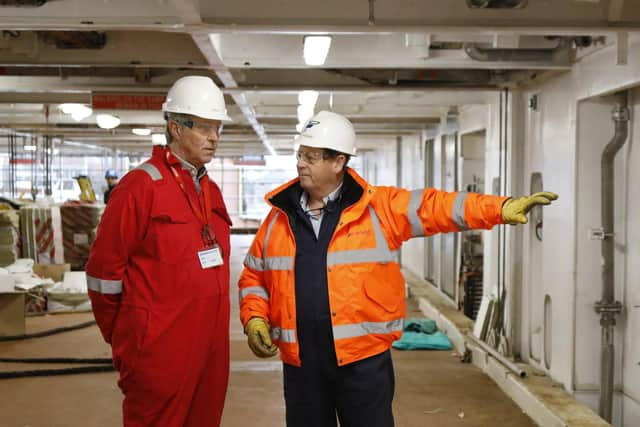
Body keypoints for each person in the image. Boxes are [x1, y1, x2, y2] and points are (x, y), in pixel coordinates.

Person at [238, 110, 558, 427]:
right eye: (300, 154)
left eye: (311, 156)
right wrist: (254, 317)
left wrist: (500, 208)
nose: (300, 163)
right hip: (301, 363)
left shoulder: (381, 208)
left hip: (362, 362)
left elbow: (440, 207)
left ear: (338, 162)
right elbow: (254, 277)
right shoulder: (279, 218)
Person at [86, 75, 233, 427]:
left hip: (210, 351)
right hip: (159, 350)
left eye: (218, 128)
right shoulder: (139, 188)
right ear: (175, 128)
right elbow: (103, 275)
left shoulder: (208, 189)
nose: (214, 137)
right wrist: (129, 338)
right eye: (204, 127)